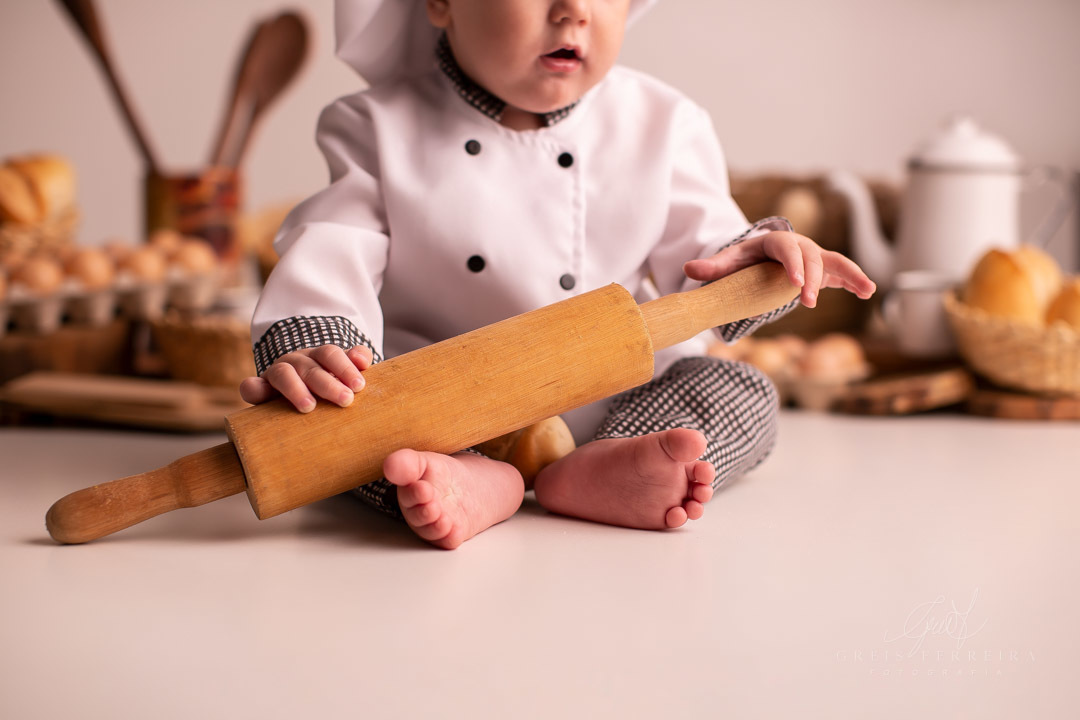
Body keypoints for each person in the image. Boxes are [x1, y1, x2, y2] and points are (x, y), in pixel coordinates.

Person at [239, 0, 876, 549]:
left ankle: (609, 465)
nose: (573, 7)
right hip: (440, 406)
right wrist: (312, 341)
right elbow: (332, 249)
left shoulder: (662, 123)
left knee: (742, 392)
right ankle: (465, 479)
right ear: (439, 1)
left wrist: (755, 260)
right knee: (342, 427)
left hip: (619, 396)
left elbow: (709, 251)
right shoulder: (375, 127)